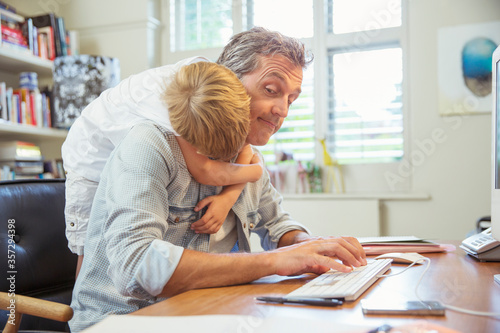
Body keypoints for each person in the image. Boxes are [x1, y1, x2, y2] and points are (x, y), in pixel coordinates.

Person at [69, 27, 367, 332]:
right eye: (271, 90)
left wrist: (310, 247)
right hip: (127, 323)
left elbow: (278, 225)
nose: (283, 111)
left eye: (291, 98)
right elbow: (136, 264)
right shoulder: (150, 143)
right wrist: (276, 261)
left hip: (204, 315)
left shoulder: (249, 158)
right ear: (230, 82)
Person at [62, 59, 263, 277]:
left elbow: (245, 145)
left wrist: (229, 195)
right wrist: (256, 171)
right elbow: (205, 172)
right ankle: (79, 308)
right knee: (88, 251)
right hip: (89, 157)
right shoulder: (174, 116)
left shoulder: (215, 86)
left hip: (125, 152)